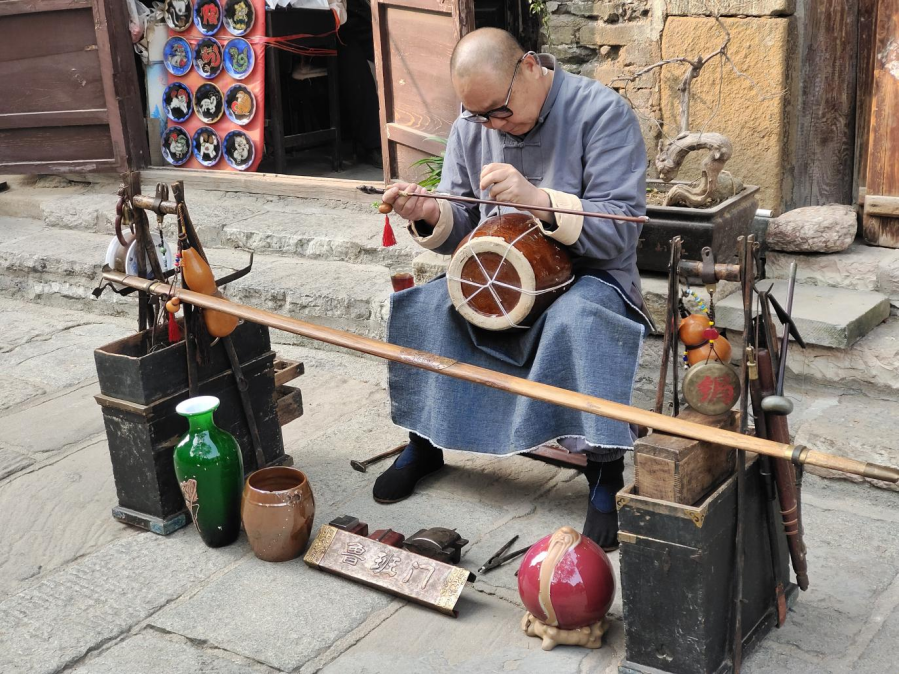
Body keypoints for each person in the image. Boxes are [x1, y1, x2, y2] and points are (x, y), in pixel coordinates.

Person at [375, 28, 649, 551]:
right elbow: (464, 225)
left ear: (529, 67)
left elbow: (621, 228)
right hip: (500, 272)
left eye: (498, 112)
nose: (491, 126)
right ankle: (425, 439)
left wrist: (541, 202)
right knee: (428, 307)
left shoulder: (602, 113)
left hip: (591, 273)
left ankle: (603, 470)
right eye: (478, 116)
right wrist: (431, 212)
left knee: (581, 321)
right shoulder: (472, 124)